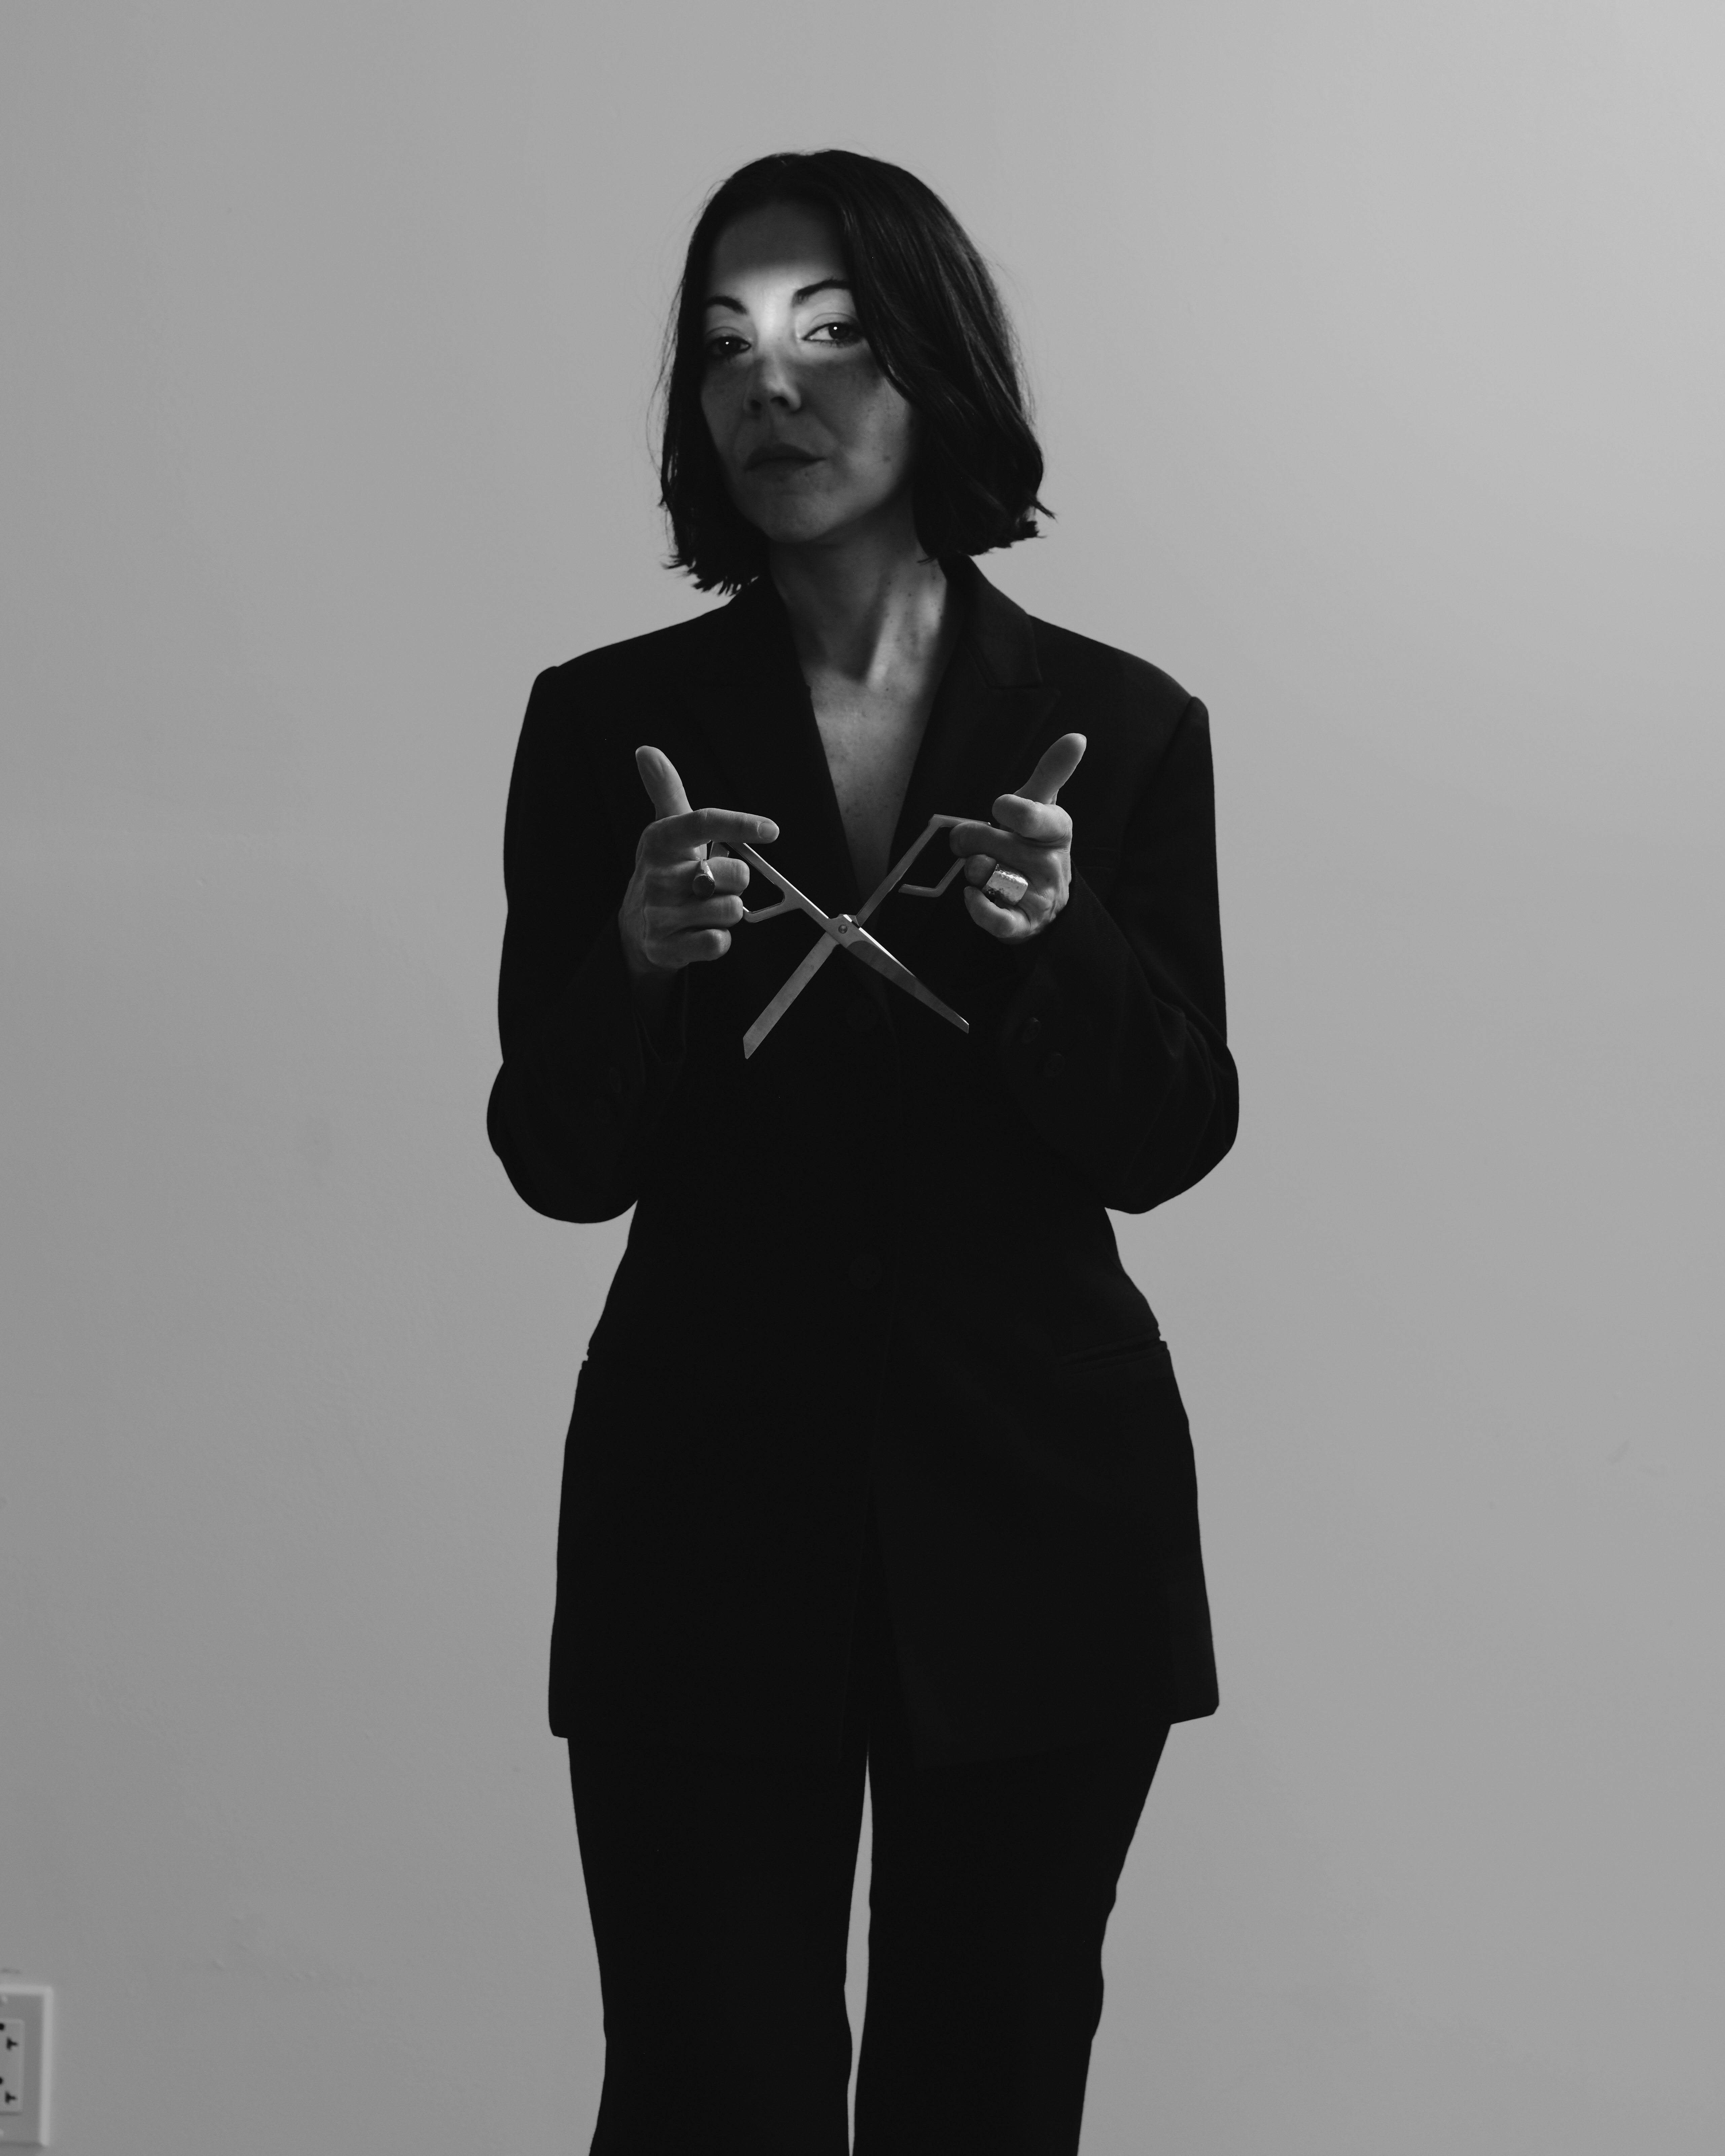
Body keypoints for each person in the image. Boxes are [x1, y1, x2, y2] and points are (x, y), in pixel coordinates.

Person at [488, 148, 1238, 2156]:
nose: (771, 384)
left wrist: (1058, 940)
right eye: (725, 342)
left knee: (989, 2087)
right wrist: (636, 965)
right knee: (705, 2088)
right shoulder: (602, 726)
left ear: (936, 370)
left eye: (831, 336)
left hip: (1041, 1504)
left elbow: (1174, 1136)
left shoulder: (1122, 724)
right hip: (701, 1505)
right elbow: (554, 1155)